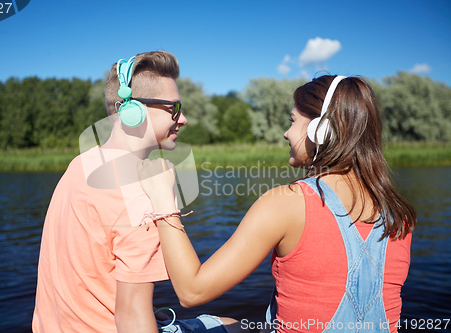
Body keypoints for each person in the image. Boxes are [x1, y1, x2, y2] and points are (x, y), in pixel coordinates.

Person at [138, 75, 416, 333]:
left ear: (320, 130)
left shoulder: (288, 203)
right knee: (231, 324)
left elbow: (192, 291)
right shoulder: (399, 215)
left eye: (293, 121)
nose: (286, 133)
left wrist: (164, 201)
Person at [32, 51, 245, 333]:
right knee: (242, 327)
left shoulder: (82, 163)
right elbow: (132, 319)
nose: (183, 119)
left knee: (229, 324)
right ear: (134, 111)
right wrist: (163, 203)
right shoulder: (138, 196)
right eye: (174, 108)